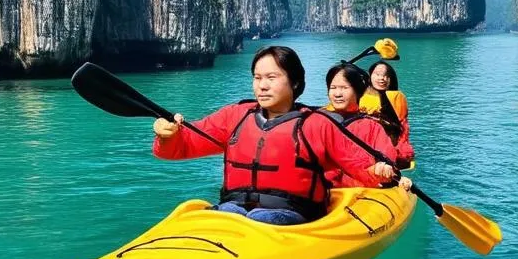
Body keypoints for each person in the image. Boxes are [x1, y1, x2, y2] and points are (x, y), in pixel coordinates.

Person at [152, 45, 396, 226]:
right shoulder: (235, 115)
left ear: (295, 82)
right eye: (257, 78)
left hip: (292, 213)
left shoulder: (317, 124)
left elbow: (356, 163)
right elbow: (185, 144)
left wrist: (379, 171)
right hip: (234, 208)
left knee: (261, 217)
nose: (262, 86)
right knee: (214, 217)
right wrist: (168, 135)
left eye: (271, 78)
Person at [322, 63, 413, 191]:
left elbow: (388, 158)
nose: (337, 93)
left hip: (357, 190)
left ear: (358, 91)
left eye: (344, 88)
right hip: (323, 188)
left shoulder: (373, 128)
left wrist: (382, 169)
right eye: (333, 88)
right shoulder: (318, 120)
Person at [359, 60, 415, 166]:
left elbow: (402, 126)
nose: (382, 78)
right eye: (377, 74)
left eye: (386, 75)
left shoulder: (398, 97)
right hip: (365, 144)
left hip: (389, 143)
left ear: (391, 78)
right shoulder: (359, 95)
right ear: (370, 76)